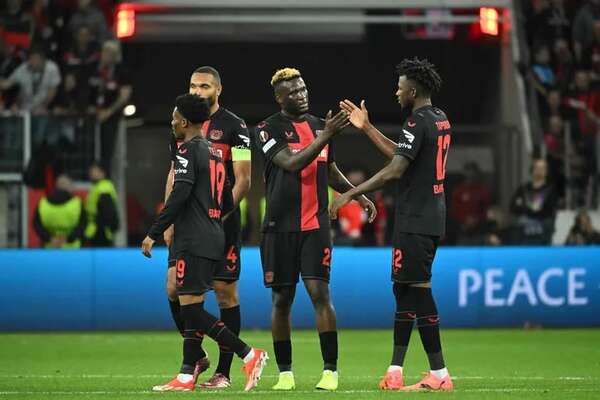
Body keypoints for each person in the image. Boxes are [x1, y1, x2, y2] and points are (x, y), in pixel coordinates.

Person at [333, 57, 454, 391]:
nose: (396, 92)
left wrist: (350, 194)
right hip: (428, 216)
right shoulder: (438, 118)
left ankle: (440, 374)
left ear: (412, 90)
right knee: (404, 290)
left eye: (400, 88)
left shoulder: (416, 122)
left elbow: (395, 170)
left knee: (419, 290)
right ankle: (395, 370)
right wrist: (368, 128)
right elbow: (401, 155)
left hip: (417, 219)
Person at [254, 67, 375, 391]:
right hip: (279, 227)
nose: (302, 95)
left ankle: (331, 371)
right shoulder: (266, 129)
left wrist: (357, 196)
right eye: (294, 92)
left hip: (315, 225)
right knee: (282, 300)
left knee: (320, 293)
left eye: (304, 88)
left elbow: (330, 170)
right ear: (280, 98)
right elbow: (291, 164)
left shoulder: (320, 127)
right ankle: (285, 374)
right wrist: (325, 136)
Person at [141, 94, 267, 392]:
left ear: (184, 121)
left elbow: (180, 193)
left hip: (193, 238)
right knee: (191, 305)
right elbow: (225, 196)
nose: (172, 121)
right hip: (213, 234)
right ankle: (186, 376)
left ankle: (249, 354)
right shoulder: (213, 152)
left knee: (192, 311)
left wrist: (155, 231)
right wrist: (212, 218)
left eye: (174, 117)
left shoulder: (187, 150)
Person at [163, 66, 252, 390]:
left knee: (225, 294)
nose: (198, 91)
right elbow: (173, 173)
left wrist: (220, 215)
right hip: (187, 223)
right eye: (192, 85)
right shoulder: (182, 122)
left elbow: (243, 179)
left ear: (218, 89)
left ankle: (224, 372)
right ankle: (196, 357)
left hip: (221, 221)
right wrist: (168, 220)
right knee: (174, 287)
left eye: (204, 86)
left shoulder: (236, 127)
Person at [510, 158, 559, 245]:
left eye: (542, 168)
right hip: (523, 228)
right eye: (537, 168)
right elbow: (513, 207)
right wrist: (533, 209)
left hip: (543, 229)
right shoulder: (523, 189)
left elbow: (547, 211)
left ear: (546, 171)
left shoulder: (551, 190)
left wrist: (524, 206)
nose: (539, 171)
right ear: (532, 170)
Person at [33, 174, 85, 248]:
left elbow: (36, 225)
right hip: (73, 250)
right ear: (68, 186)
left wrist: (49, 238)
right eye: (72, 185)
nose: (74, 187)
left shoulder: (43, 203)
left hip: (49, 248)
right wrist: (68, 239)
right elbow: (82, 225)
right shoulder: (77, 203)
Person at [84, 162, 119, 247]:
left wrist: (112, 227)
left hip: (100, 231)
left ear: (102, 173)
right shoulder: (97, 187)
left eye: (94, 171)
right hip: (96, 230)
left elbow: (108, 212)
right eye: (91, 171)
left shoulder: (103, 188)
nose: (91, 173)